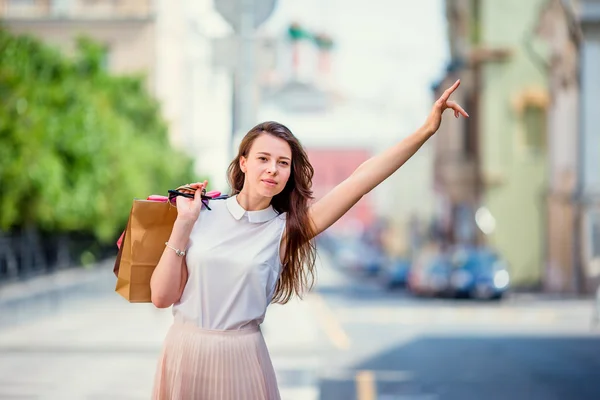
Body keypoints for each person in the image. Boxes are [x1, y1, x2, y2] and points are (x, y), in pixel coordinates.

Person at [149, 80, 468, 399]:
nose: (272, 169)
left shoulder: (285, 230)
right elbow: (161, 298)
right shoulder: (200, 213)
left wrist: (426, 130)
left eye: (282, 163)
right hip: (184, 354)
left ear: (289, 173)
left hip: (241, 361)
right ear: (244, 162)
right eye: (263, 158)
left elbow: (359, 181)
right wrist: (184, 223)